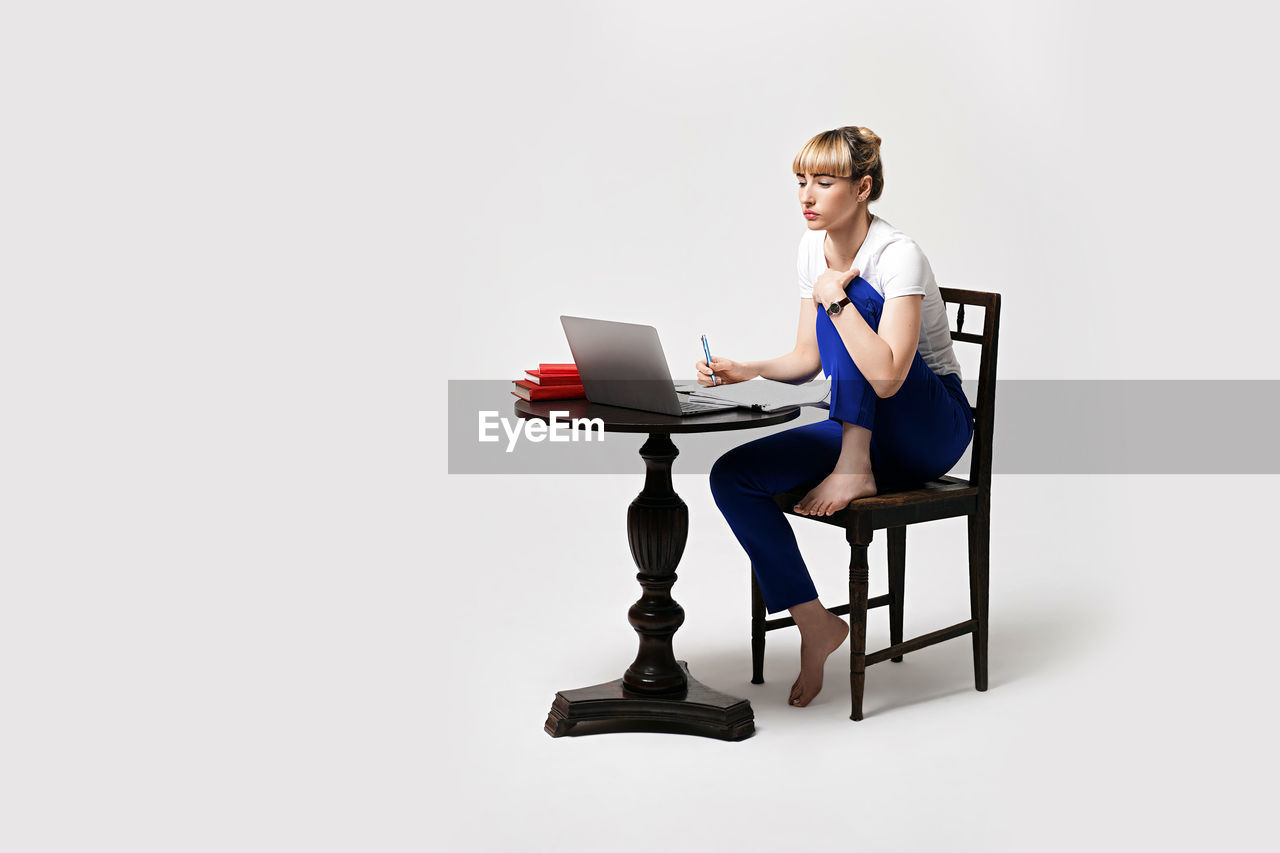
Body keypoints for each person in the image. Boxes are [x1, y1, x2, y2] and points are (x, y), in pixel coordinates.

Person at [699, 126, 974, 708]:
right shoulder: (811, 248)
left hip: (930, 426)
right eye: (801, 182)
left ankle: (854, 464)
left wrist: (837, 297)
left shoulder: (897, 254)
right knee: (733, 477)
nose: (807, 195)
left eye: (823, 182)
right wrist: (746, 368)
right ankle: (815, 623)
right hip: (864, 424)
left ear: (863, 187)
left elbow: (890, 375)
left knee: (858, 301)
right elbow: (808, 359)